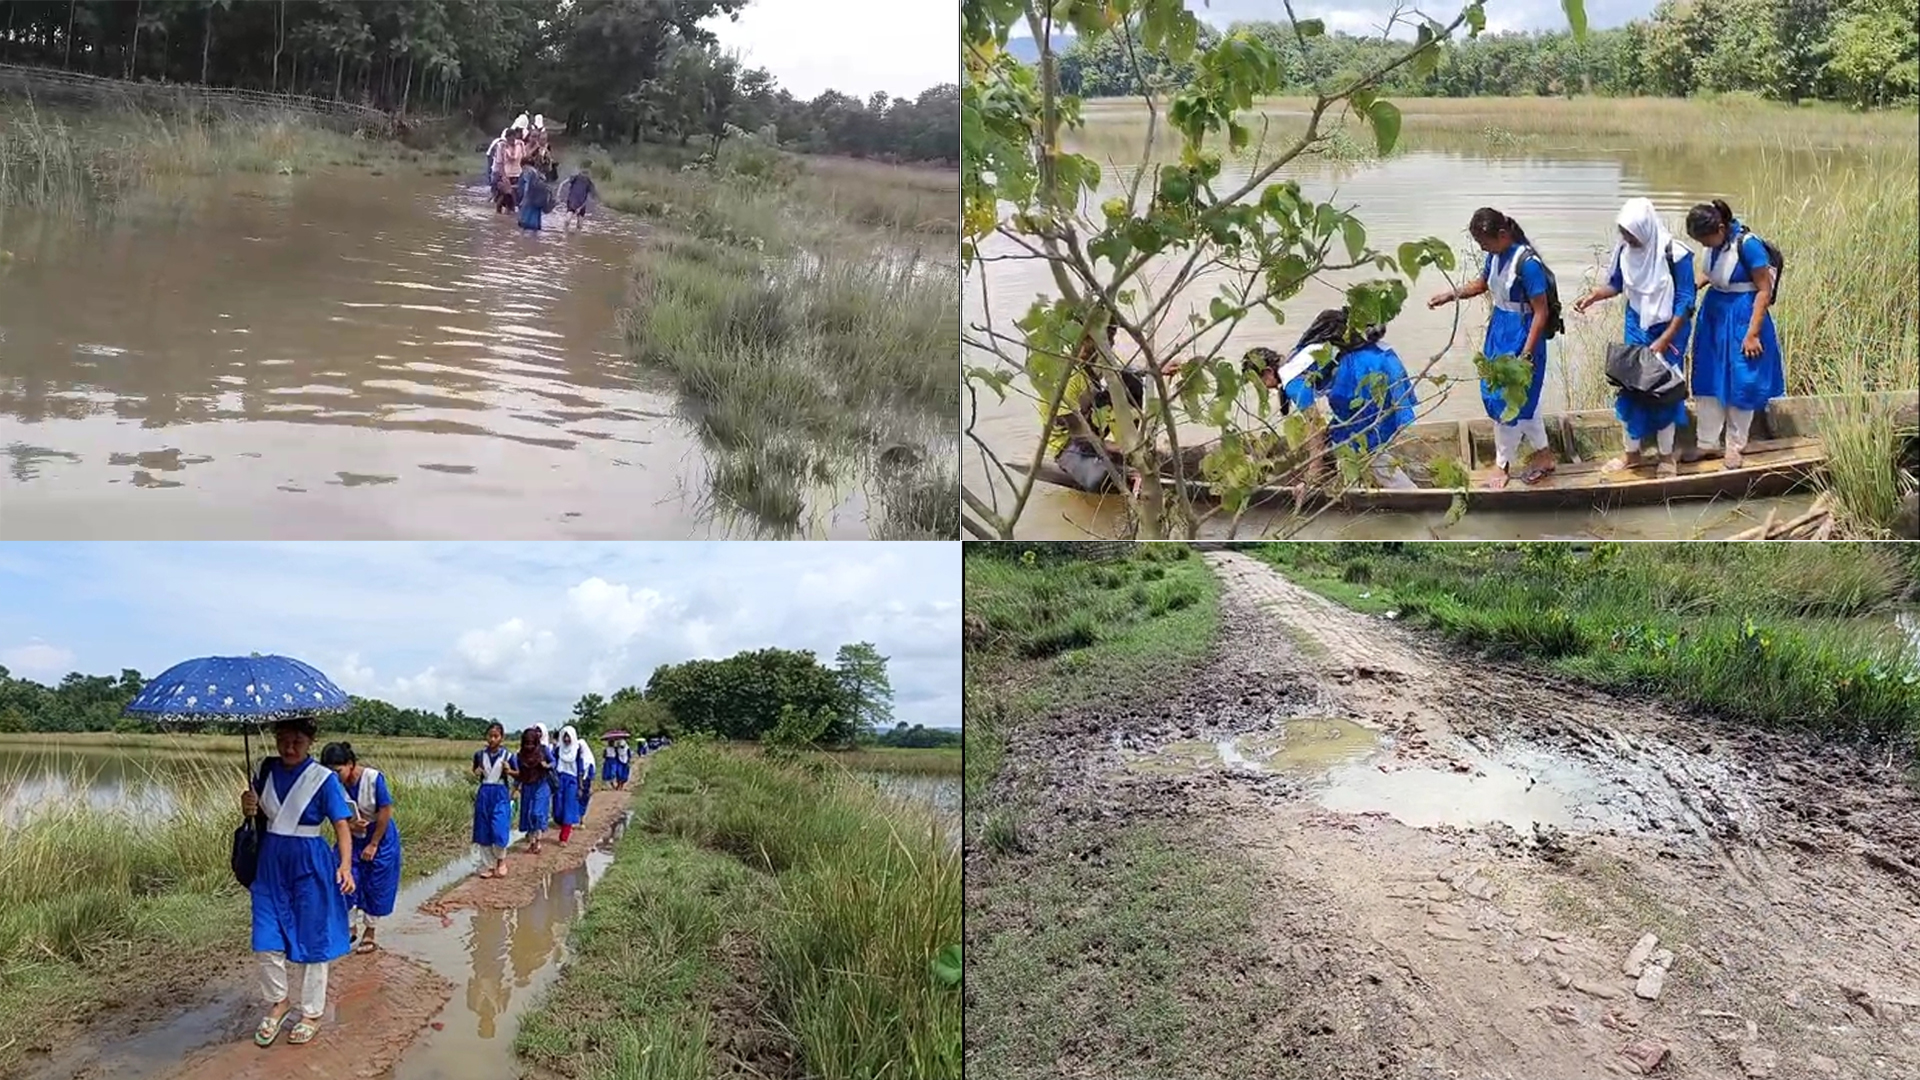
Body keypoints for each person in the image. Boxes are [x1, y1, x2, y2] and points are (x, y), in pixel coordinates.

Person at [240, 716, 354, 1048]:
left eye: (297, 742)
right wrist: (248, 805)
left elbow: (342, 825)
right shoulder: (265, 769)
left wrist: (345, 866)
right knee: (265, 940)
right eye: (283, 740)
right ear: (275, 738)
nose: (289, 748)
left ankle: (311, 1012)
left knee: (313, 941)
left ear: (310, 743)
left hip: (309, 864)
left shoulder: (323, 779)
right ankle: (278, 1002)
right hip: (270, 865)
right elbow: (259, 816)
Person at [1428, 208, 1557, 488]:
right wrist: (1451, 295)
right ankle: (1544, 456)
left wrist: (1526, 354)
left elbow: (1541, 313)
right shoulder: (1496, 256)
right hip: (1499, 332)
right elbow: (1481, 284)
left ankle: (1502, 465)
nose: (1482, 248)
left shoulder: (1528, 264)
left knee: (1508, 400)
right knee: (1516, 400)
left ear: (1502, 234)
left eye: (1484, 242)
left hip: (1522, 336)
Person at [1571, 197, 1697, 477]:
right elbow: (1615, 284)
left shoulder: (1676, 254)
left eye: (1632, 234)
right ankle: (1632, 455)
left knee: (1664, 392)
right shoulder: (1624, 250)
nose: (1627, 238)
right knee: (1631, 390)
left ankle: (1666, 457)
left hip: (1669, 329)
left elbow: (1686, 299)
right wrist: (1594, 296)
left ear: (1646, 229)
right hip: (1636, 325)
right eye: (1624, 233)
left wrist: (1666, 337)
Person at [1253, 307, 1421, 491]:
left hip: (1366, 375)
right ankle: (1351, 484)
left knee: (1364, 441)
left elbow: (1315, 427)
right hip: (1382, 360)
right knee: (1341, 433)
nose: (1259, 389)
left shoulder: (1292, 381)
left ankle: (1411, 494)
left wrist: (1311, 474)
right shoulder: (1296, 355)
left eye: (1257, 382)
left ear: (1267, 372)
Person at [1685, 198, 1783, 468]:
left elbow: (1764, 289)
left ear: (1720, 228)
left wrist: (1752, 334)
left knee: (1742, 380)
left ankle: (1735, 445)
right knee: (1708, 377)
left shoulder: (1749, 245)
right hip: (1714, 314)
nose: (1703, 245)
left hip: (1743, 315)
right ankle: (1707, 443)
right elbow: (1712, 273)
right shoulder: (1716, 243)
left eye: (1705, 239)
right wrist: (1694, 286)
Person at [1040, 323, 1143, 493]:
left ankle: (1128, 444)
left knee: (1131, 379)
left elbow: (1131, 370)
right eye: (1108, 340)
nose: (1112, 344)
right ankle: (1122, 460)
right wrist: (1117, 449)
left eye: (1112, 339)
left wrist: (1159, 369)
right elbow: (1079, 434)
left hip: (1090, 424)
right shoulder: (1066, 378)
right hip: (1070, 443)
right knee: (1099, 479)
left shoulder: (1096, 363)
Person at [320, 742, 401, 955]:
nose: (334, 776)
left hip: (380, 835)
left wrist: (374, 843)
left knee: (377, 883)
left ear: (350, 764)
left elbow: (385, 811)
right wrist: (349, 825)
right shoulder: (332, 784)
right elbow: (332, 814)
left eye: (338, 771)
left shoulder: (373, 779)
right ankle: (350, 926)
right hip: (351, 837)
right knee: (344, 877)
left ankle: (370, 932)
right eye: (329, 772)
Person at [472, 722, 517, 879]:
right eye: (490, 736)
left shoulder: (508, 756)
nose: (492, 739)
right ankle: (489, 865)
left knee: (499, 828)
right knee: (483, 830)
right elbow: (475, 770)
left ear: (502, 738)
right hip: (484, 793)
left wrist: (509, 770)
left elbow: (518, 774)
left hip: (500, 794)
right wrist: (476, 772)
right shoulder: (479, 755)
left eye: (496, 736)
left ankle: (501, 860)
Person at [515, 726, 552, 855]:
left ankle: (538, 840)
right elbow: (519, 773)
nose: (529, 746)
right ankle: (532, 842)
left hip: (541, 785)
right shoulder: (520, 755)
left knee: (537, 813)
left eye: (531, 743)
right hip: (527, 787)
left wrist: (547, 765)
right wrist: (514, 789)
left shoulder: (543, 751)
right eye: (527, 744)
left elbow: (554, 762)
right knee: (528, 815)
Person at [552, 725, 589, 844]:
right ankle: (560, 823)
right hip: (559, 779)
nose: (566, 739)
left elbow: (580, 769)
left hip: (572, 781)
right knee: (558, 808)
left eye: (569, 737)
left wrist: (580, 786)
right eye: (565, 736)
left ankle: (564, 837)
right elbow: (553, 764)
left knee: (568, 807)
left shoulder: (577, 751)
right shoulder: (558, 750)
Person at [492, 130, 525, 214]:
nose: (512, 140)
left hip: (517, 174)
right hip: (505, 174)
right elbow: (500, 163)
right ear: (506, 138)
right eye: (509, 138)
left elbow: (523, 158)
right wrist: (503, 177)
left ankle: (509, 215)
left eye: (513, 138)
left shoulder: (520, 144)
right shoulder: (501, 146)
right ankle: (498, 214)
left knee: (513, 198)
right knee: (503, 196)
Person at [517, 162, 552, 232]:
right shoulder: (536, 172)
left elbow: (527, 187)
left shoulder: (527, 171)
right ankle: (534, 237)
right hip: (538, 198)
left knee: (525, 220)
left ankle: (523, 236)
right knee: (535, 218)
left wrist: (522, 200)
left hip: (531, 198)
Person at [561, 162, 596, 230]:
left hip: (581, 204)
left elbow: (590, 198)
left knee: (579, 225)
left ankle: (570, 235)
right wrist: (558, 193)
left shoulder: (589, 183)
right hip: (572, 202)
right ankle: (565, 234)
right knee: (568, 220)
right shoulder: (575, 177)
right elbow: (563, 183)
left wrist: (580, 207)